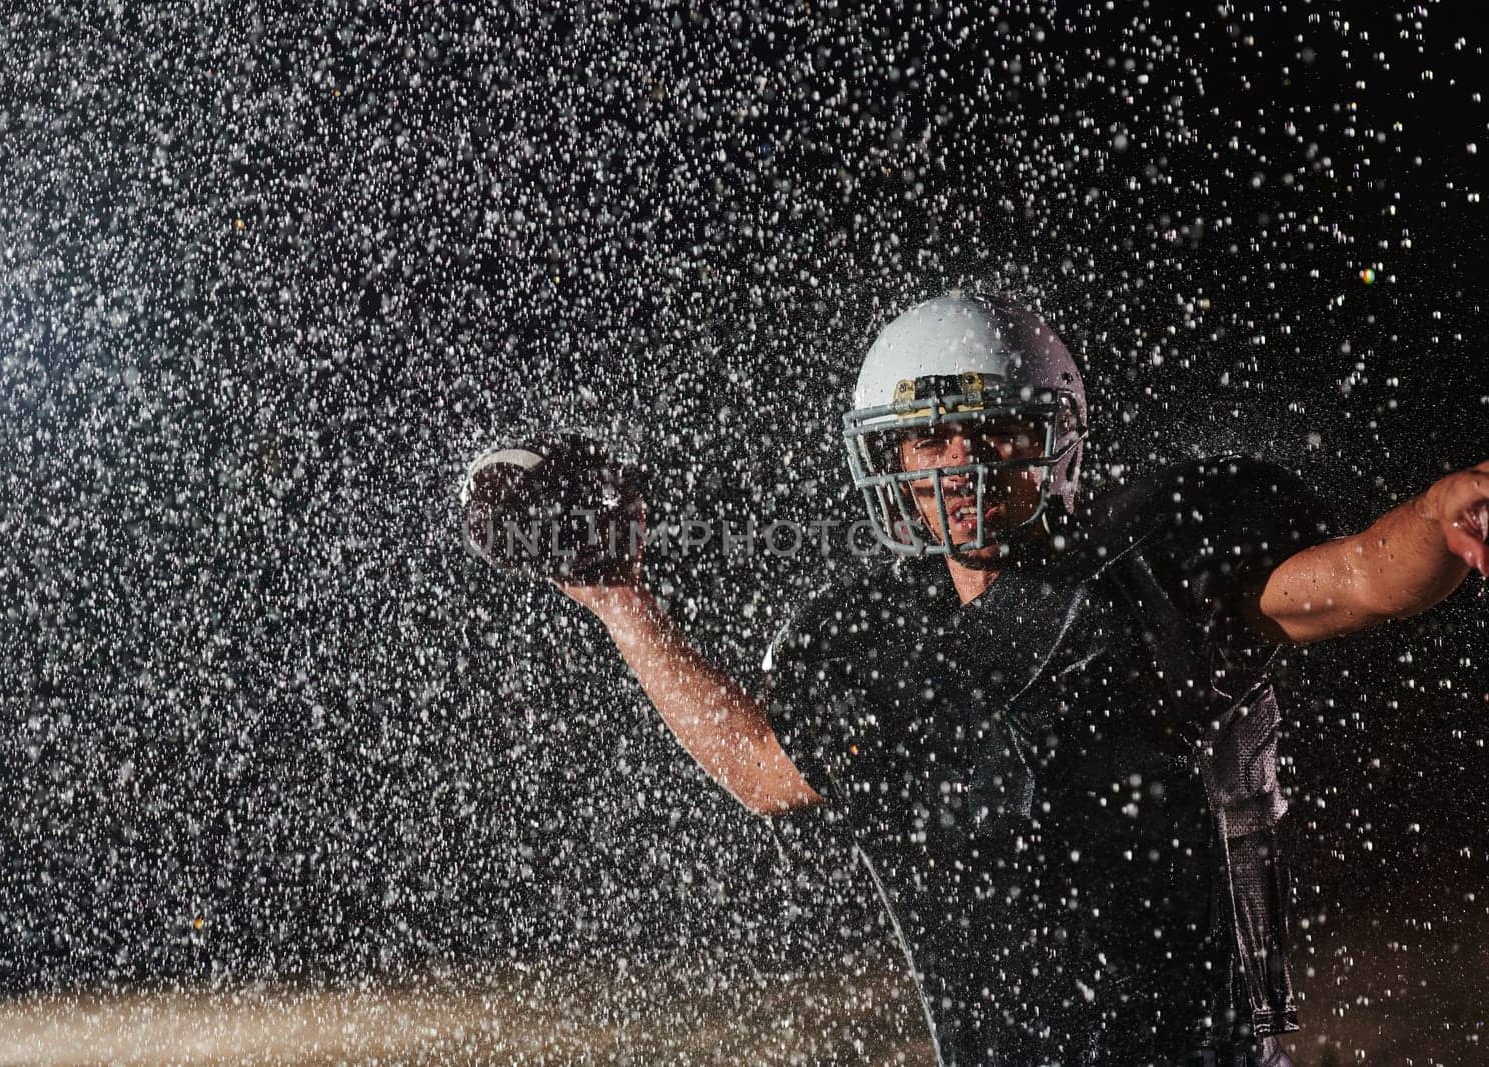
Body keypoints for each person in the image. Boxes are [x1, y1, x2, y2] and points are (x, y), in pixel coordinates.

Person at [552, 292, 1489, 1066]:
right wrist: (620, 600)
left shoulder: (1147, 576)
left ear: (1054, 438)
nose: (961, 463)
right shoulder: (875, 641)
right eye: (931, 439)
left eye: (992, 432)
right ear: (894, 461)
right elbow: (759, 767)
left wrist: (1442, 513)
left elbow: (1361, 575)